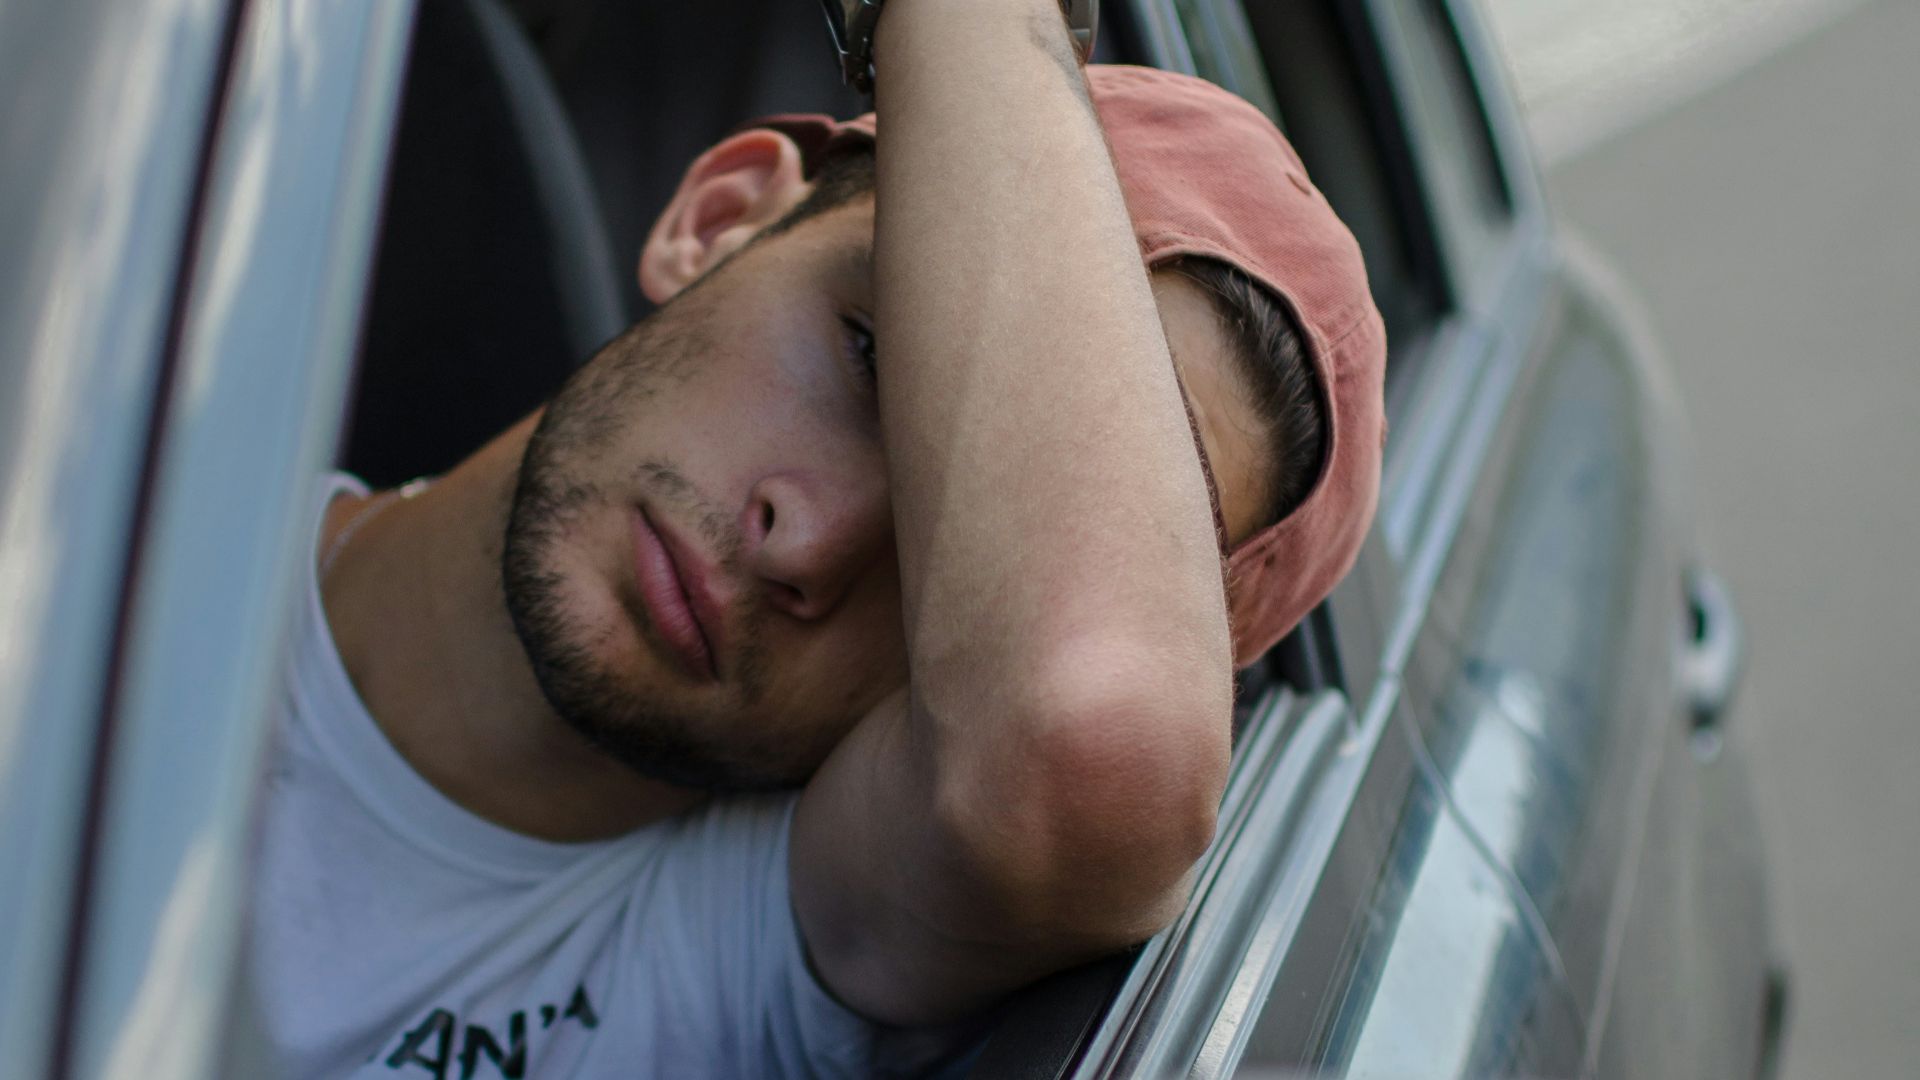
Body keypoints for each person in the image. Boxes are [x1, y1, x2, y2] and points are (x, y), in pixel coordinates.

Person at [248, 2, 1386, 1076]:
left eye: (955, 541)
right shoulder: (97, 451)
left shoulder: (737, 948)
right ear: (720, 218)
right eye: (869, 359)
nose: (810, 541)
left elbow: (1077, 739)